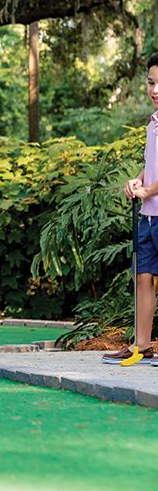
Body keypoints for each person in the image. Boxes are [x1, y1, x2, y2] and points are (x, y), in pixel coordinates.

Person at [102, 53, 158, 365]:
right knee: (143, 277)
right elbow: (151, 167)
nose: (155, 89)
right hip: (148, 215)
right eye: (151, 82)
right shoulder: (153, 125)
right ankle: (143, 345)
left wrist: (150, 189)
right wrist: (137, 182)